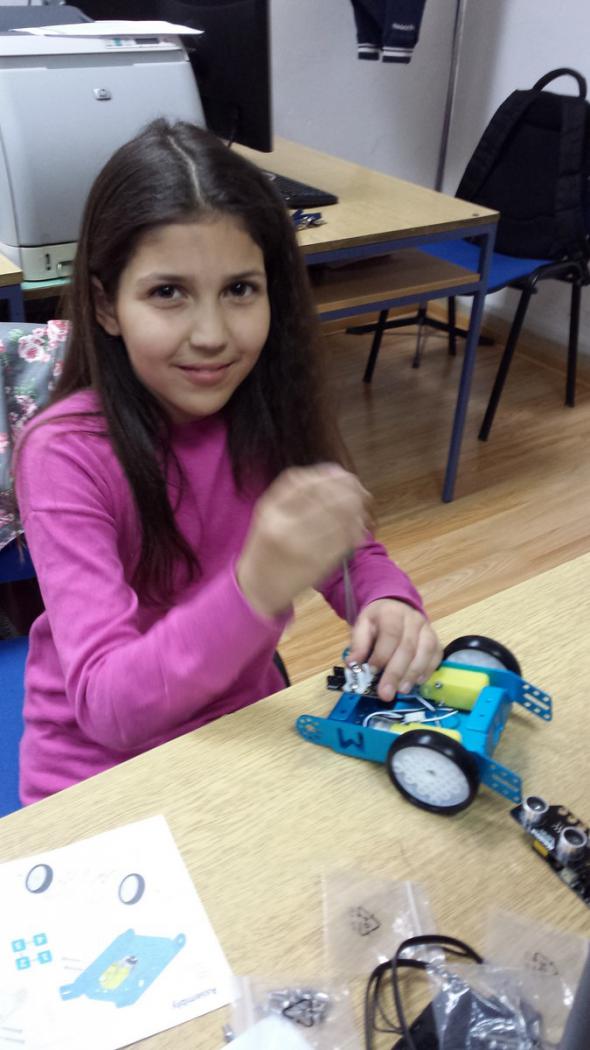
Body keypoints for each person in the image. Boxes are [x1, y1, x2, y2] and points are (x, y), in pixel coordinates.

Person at [15, 119, 441, 805]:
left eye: (240, 289)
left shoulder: (264, 409)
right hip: (98, 778)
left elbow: (346, 550)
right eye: (167, 293)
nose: (212, 336)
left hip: (242, 734)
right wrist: (256, 585)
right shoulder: (65, 454)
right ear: (106, 305)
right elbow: (106, 707)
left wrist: (388, 599)